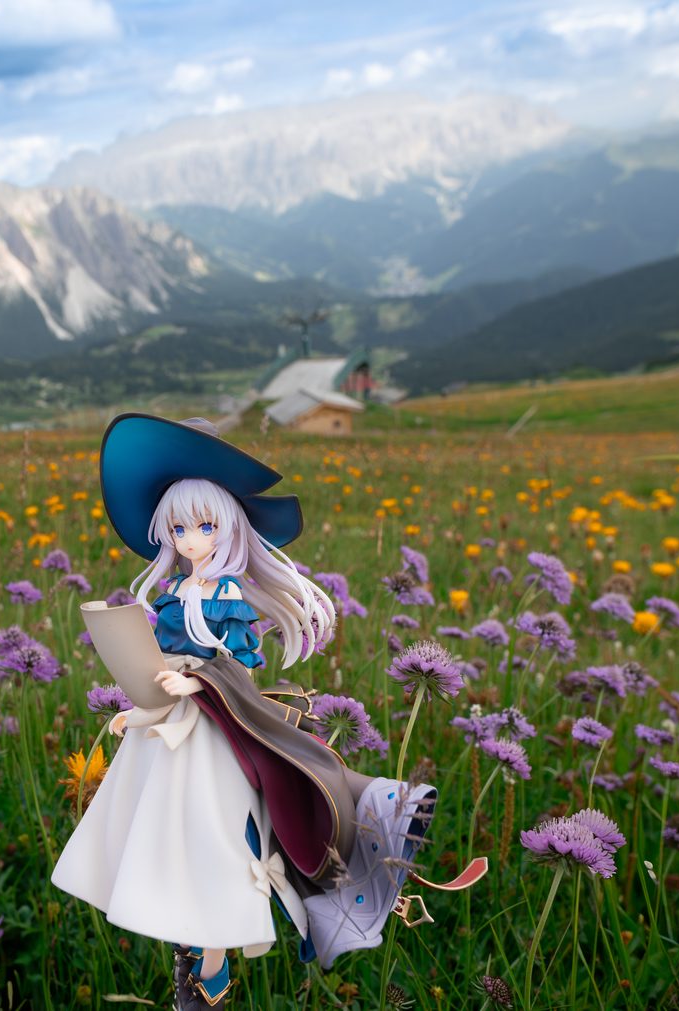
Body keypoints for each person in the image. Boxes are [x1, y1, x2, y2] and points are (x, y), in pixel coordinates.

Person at [51, 414, 447, 1009]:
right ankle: (182, 936)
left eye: (204, 526)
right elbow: (159, 662)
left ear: (228, 529)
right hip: (170, 728)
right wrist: (141, 708)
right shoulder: (174, 593)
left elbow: (237, 665)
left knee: (214, 839)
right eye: (178, 528)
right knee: (155, 832)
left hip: (213, 731)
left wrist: (195, 681)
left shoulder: (226, 595)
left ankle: (211, 968)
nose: (190, 540)